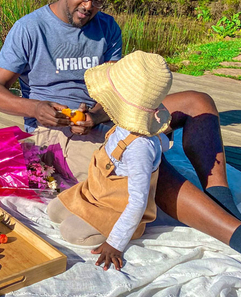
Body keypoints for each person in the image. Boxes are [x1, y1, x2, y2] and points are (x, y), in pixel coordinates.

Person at [0, 0, 241, 294]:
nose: (88, 5)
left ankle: (223, 206)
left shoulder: (107, 28)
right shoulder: (30, 29)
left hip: (109, 114)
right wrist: (35, 107)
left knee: (197, 102)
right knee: (144, 162)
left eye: (99, 0)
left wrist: (99, 114)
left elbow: (115, 88)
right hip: (53, 131)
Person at [47, 51, 172, 271]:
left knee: (71, 233)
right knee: (54, 211)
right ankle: (86, 210)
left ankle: (118, 229)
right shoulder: (125, 124)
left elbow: (138, 202)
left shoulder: (140, 148)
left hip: (115, 207)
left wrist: (115, 243)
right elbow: (160, 141)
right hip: (95, 192)